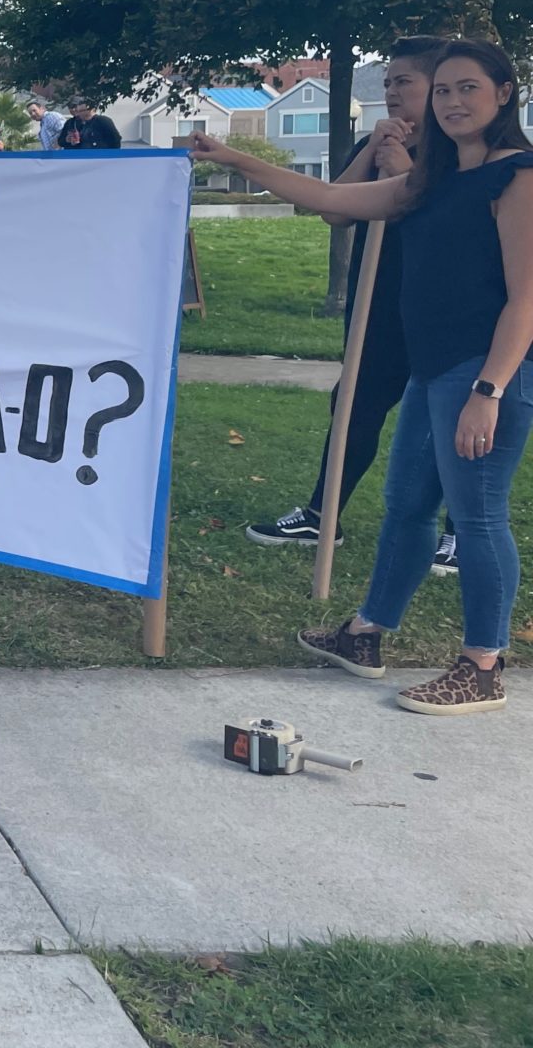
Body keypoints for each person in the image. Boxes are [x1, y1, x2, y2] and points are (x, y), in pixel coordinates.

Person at [191, 39, 533, 715]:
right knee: (406, 507)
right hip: (431, 369)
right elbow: (328, 196)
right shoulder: (428, 181)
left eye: (469, 88)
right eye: (443, 91)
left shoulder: (517, 175)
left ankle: (482, 666)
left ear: (503, 94)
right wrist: (232, 158)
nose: (454, 102)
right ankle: (366, 634)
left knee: (478, 515)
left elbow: (526, 299)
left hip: (483, 375)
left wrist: (488, 392)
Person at [247, 37, 457, 576]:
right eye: (387, 82)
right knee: (353, 404)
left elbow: (438, 219)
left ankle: (457, 530)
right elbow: (334, 211)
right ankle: (323, 514)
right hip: (378, 301)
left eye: (403, 81)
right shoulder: (374, 141)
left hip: (441, 305)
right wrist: (373, 151)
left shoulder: (458, 148)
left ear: (438, 86)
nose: (391, 91)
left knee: (448, 415)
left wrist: (402, 165)